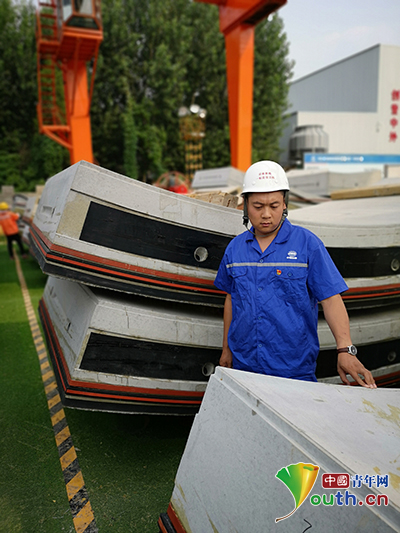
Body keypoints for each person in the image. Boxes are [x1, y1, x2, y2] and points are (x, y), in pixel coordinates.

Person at [214, 160, 376, 388]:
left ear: (285, 204)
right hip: (245, 366)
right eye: (258, 206)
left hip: (293, 369)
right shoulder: (235, 249)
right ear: (245, 206)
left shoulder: (307, 244)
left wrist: (345, 349)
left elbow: (330, 298)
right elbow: (231, 298)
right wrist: (226, 349)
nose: (266, 214)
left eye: (274, 205)